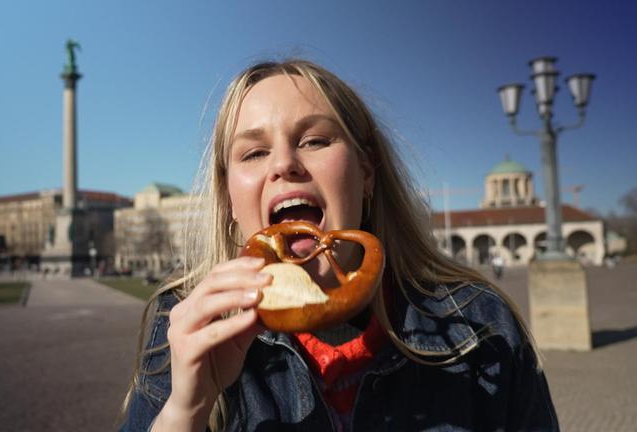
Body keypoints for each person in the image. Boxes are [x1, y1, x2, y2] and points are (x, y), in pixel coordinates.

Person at [119, 59, 558, 431]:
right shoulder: (182, 325)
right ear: (229, 197)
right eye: (253, 153)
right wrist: (186, 409)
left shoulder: (478, 324)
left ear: (366, 172)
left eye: (314, 140)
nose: (284, 164)